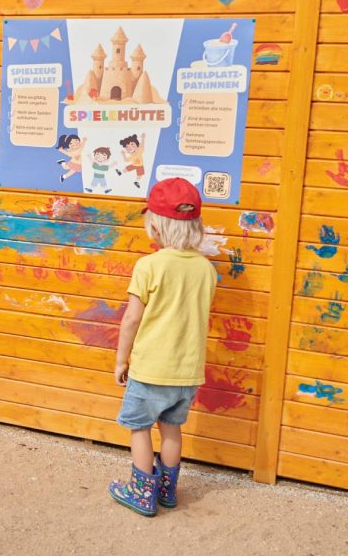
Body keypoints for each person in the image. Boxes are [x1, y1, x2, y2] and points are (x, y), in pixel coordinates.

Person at [108, 177, 217, 516]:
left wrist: (120, 360)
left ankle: (141, 493)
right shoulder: (207, 269)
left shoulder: (149, 266)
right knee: (171, 429)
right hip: (187, 372)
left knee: (139, 428)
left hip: (151, 368)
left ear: (154, 224)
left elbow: (131, 320)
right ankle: (169, 491)